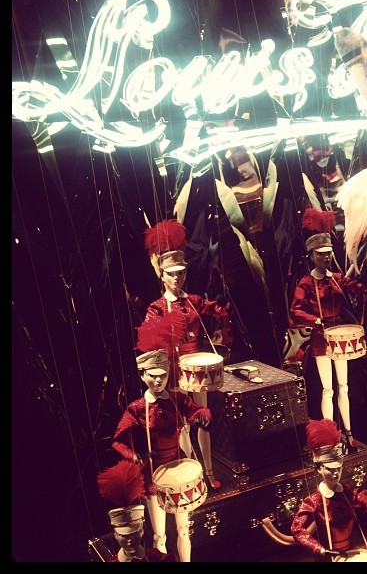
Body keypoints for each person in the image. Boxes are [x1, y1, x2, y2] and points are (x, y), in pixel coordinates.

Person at [139, 218, 231, 491]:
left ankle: (209, 470)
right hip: (174, 368)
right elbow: (149, 343)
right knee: (183, 424)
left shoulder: (194, 301)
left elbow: (219, 312)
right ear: (162, 275)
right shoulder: (156, 308)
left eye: (181, 273)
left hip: (196, 366)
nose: (177, 278)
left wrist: (221, 330)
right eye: (171, 274)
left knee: (204, 419)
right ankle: (193, 471)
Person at [111, 349, 212, 562]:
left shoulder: (177, 399)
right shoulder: (137, 408)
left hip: (178, 464)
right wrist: (134, 456)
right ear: (142, 376)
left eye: (163, 375)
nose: (158, 380)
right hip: (153, 472)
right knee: (159, 534)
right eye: (152, 375)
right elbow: (118, 440)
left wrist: (202, 416)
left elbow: (197, 410)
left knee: (184, 528)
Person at [289, 231, 367, 447]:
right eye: (321, 254)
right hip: (321, 337)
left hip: (340, 334)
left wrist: (363, 284)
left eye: (329, 253)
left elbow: (357, 288)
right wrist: (314, 320)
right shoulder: (306, 283)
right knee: (328, 389)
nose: (326, 257)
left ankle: (348, 431)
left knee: (344, 386)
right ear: (311, 256)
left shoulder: (337, 278)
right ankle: (330, 432)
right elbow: (295, 310)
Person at [291, 419, 367, 560]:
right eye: (330, 469)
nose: (336, 473)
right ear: (319, 469)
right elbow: (297, 529)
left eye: (338, 468)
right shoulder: (314, 501)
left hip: (349, 553)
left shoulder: (349, 492)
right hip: (327, 556)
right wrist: (320, 549)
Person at [97, 460, 178, 562]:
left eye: (135, 533)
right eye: (124, 535)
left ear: (142, 530)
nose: (130, 540)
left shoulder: (155, 556)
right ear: (116, 536)